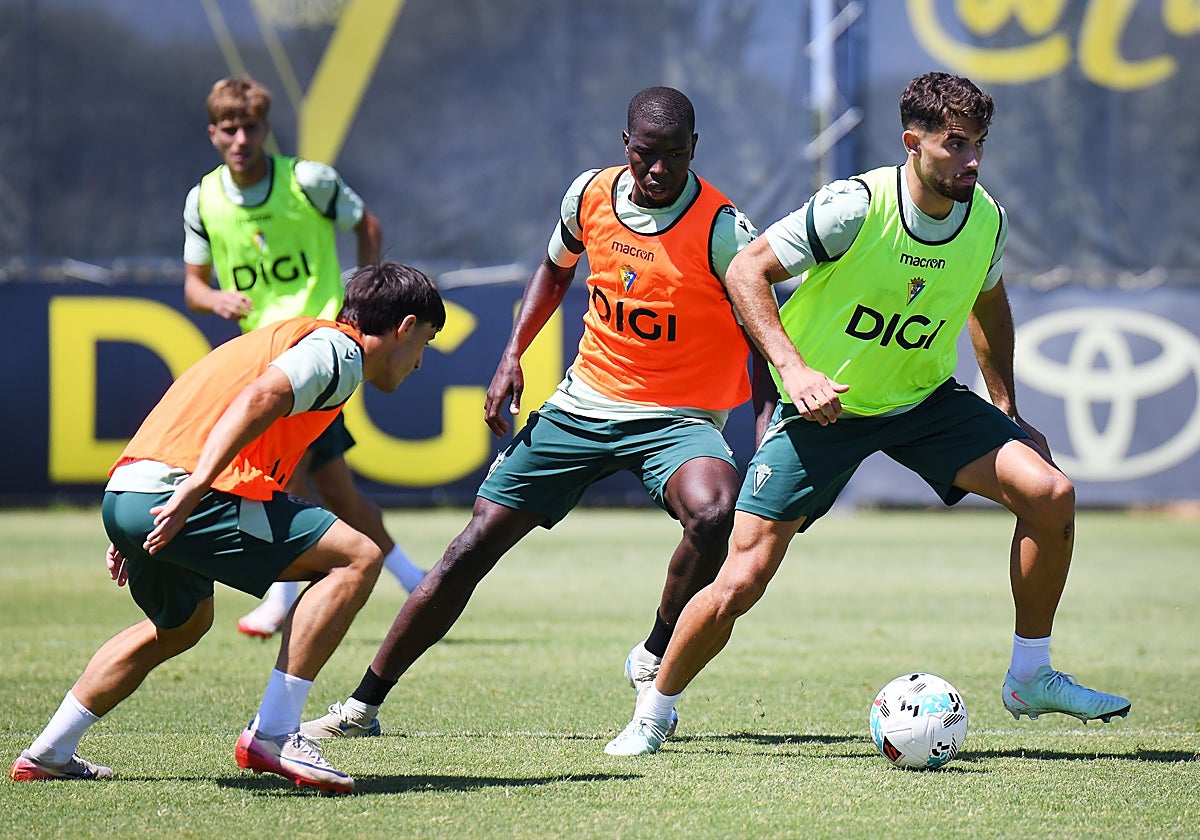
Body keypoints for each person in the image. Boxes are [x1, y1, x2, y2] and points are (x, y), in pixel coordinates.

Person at [604, 71, 1131, 756]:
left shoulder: (987, 218)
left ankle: (1031, 674)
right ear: (913, 143)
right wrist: (793, 370)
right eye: (956, 145)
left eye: (979, 146)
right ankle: (656, 709)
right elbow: (745, 272)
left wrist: (1007, 406)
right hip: (825, 411)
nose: (971, 161)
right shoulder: (855, 206)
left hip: (923, 401)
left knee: (1050, 493)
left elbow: (989, 304)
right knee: (742, 579)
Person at [300, 86, 767, 741]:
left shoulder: (722, 229)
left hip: (677, 417)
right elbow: (554, 271)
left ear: (696, 148)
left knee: (715, 512)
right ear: (624, 145)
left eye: (673, 156)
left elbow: (765, 320)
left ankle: (656, 650)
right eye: (644, 154)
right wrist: (511, 355)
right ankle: (362, 707)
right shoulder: (588, 196)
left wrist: (771, 413)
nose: (657, 170)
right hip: (583, 405)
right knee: (471, 547)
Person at [9, 263, 445, 793]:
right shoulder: (340, 351)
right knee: (356, 556)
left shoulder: (289, 337)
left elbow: (195, 407)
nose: (421, 360)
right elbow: (258, 399)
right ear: (404, 326)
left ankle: (50, 750)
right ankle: (277, 733)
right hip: (181, 490)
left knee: (182, 625)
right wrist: (191, 487)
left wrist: (132, 514)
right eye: (426, 340)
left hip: (132, 488)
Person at [182, 76, 426, 640]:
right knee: (326, 484)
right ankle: (413, 577)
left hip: (319, 350)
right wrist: (217, 297)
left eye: (251, 127)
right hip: (262, 357)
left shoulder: (308, 181)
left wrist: (361, 299)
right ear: (213, 134)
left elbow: (368, 226)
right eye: (229, 129)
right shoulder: (204, 200)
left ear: (267, 130)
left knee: (290, 478)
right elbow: (193, 287)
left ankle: (285, 593)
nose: (241, 138)